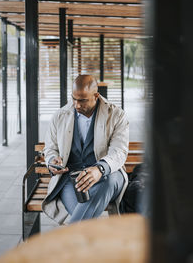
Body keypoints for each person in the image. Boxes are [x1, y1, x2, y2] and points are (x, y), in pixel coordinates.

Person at [42, 75, 129, 225]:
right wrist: (52, 160)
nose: (76, 105)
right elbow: (50, 148)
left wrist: (100, 169)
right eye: (73, 99)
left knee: (109, 181)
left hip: (108, 176)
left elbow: (119, 152)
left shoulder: (116, 115)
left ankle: (69, 244)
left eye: (82, 100)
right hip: (71, 179)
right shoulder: (60, 116)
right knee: (84, 222)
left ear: (96, 96)